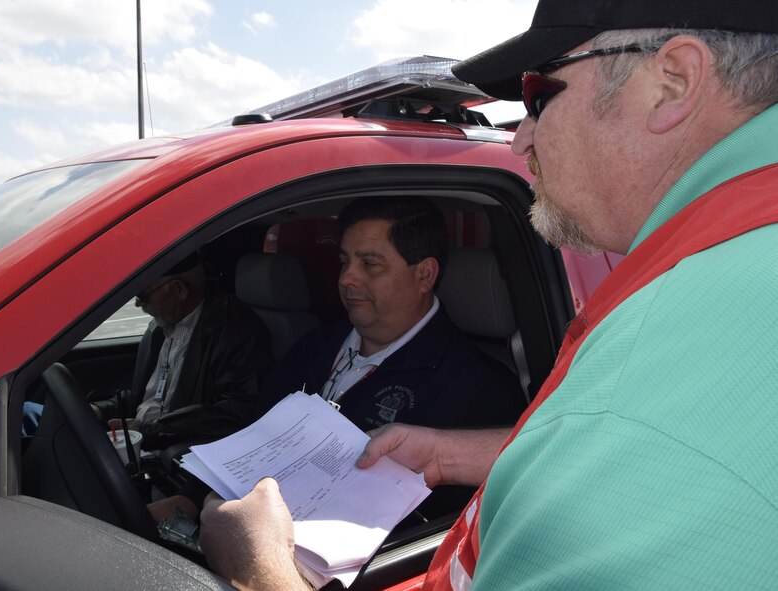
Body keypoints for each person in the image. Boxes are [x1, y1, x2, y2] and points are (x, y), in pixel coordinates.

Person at [198, 1, 778, 589]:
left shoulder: (656, 371)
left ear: (671, 83)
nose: (519, 139)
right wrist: (462, 457)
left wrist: (259, 569)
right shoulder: (713, 296)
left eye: (537, 96)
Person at [261, 195, 524, 430]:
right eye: (344, 261)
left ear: (425, 275)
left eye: (370, 264)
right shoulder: (313, 345)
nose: (346, 278)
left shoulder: (479, 390)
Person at [97, 251, 276, 453]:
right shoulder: (158, 329)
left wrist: (151, 430)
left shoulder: (237, 332)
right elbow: (148, 396)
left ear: (178, 289)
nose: (139, 304)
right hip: (147, 441)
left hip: (178, 453)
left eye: (143, 295)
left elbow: (239, 410)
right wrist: (101, 410)